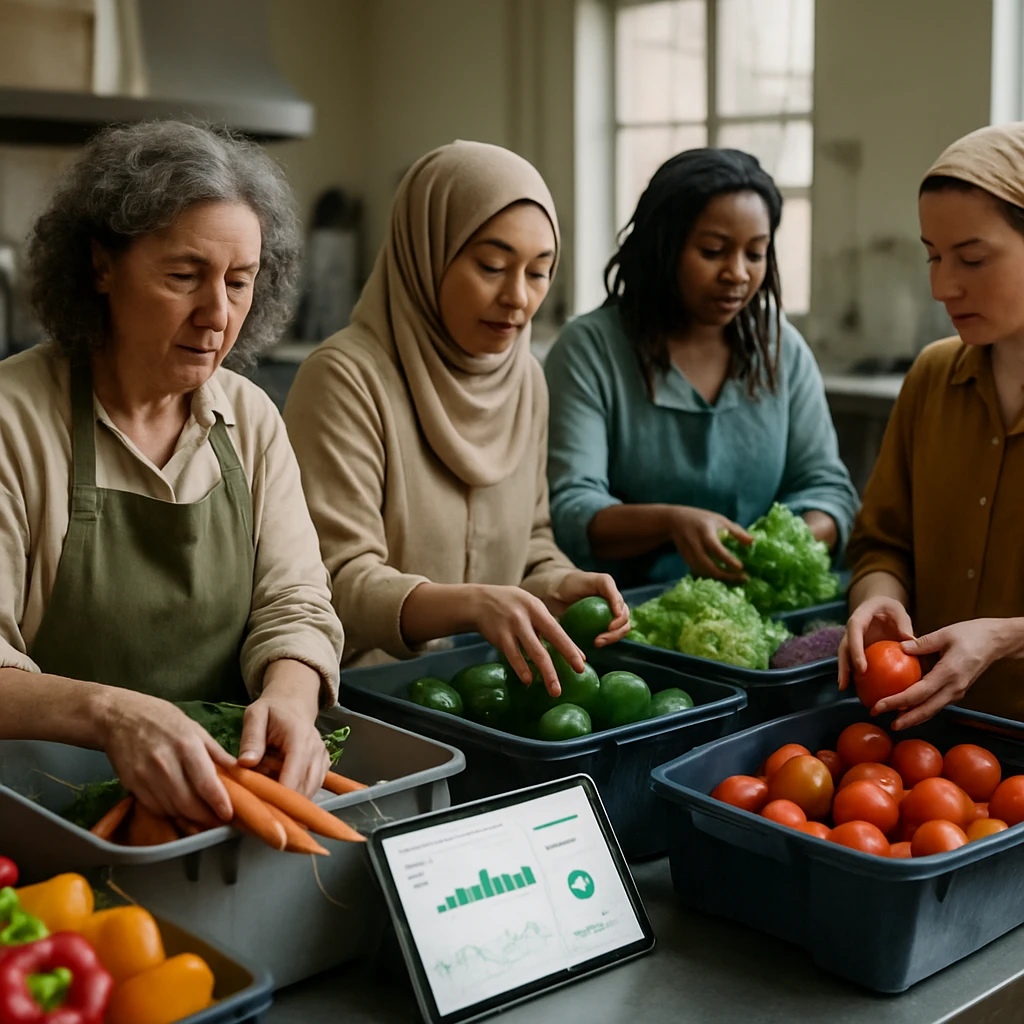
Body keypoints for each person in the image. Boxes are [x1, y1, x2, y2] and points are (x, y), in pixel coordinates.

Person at [0, 121, 344, 826]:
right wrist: (112, 714)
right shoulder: (14, 423)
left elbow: (296, 605)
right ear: (100, 266)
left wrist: (292, 693)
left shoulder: (250, 420)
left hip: (223, 802)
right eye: (184, 277)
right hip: (45, 812)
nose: (218, 314)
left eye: (239, 282)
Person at [284, 141, 628, 695]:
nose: (518, 297)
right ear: (427, 252)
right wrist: (470, 604)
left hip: (490, 692)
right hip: (362, 702)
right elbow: (329, 581)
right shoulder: (347, 378)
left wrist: (559, 583)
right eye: (492, 266)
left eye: (539, 272)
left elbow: (532, 539)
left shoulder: (526, 380)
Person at [544, 148, 858, 590]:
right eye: (713, 251)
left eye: (755, 253)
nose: (737, 273)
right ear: (663, 248)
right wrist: (672, 523)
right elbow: (572, 508)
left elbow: (827, 490)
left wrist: (780, 547)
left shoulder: (780, 347)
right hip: (620, 615)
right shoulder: (590, 350)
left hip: (757, 606)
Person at [841, 123, 1024, 728]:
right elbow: (882, 543)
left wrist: (1004, 636)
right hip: (931, 742)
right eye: (933, 255)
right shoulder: (932, 376)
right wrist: (878, 597)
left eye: (971, 258)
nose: (942, 286)